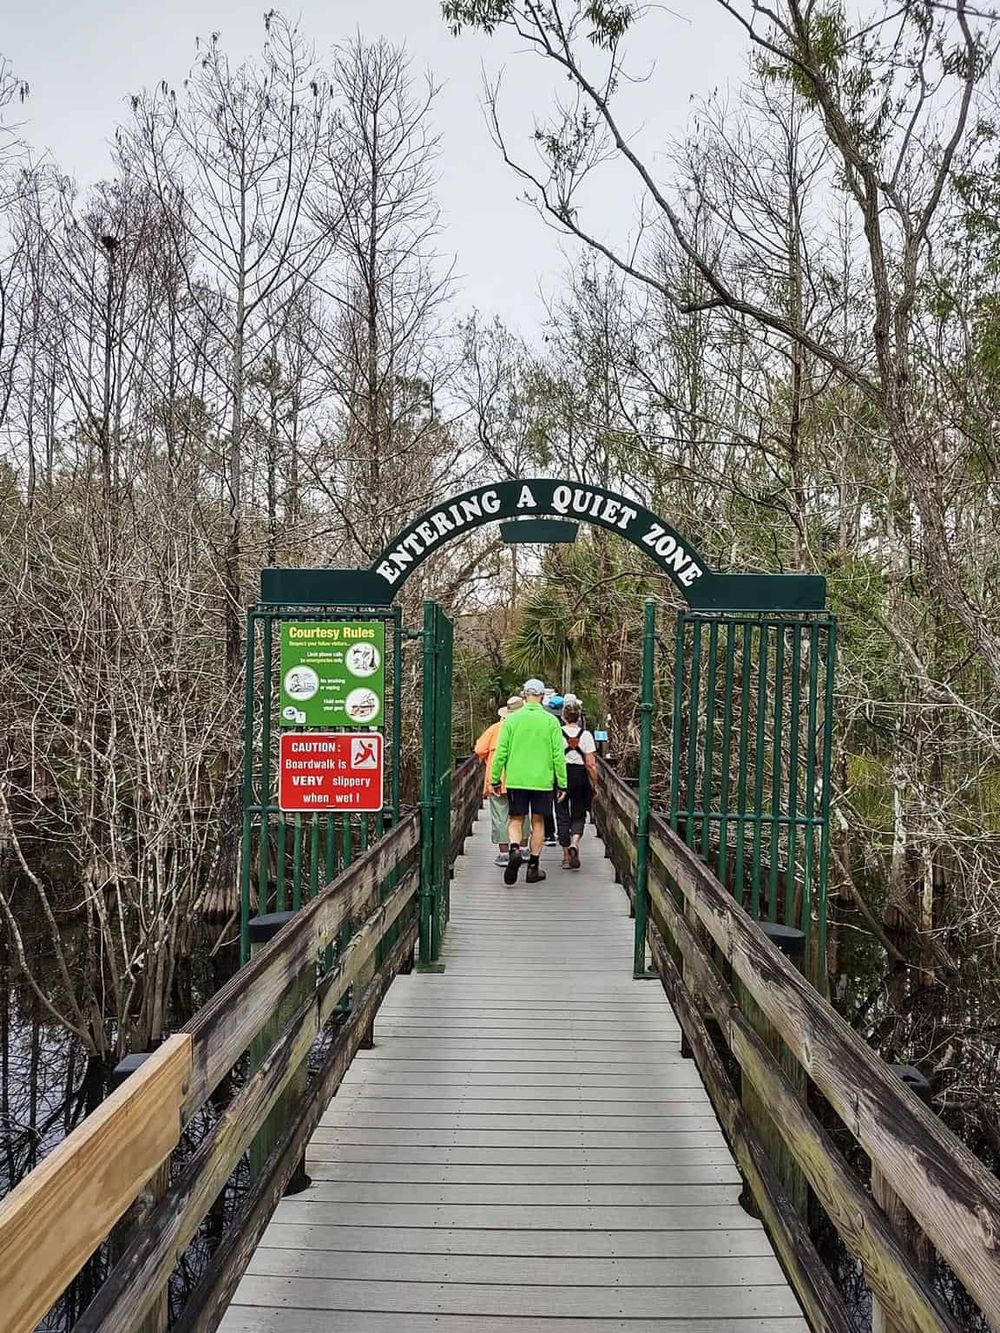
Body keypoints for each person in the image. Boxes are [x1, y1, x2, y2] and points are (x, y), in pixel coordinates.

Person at [490, 679, 567, 884]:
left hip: (516, 779)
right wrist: (562, 783)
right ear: (542, 697)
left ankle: (514, 849)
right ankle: (533, 866)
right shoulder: (551, 721)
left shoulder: (512, 721)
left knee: (516, 819)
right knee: (538, 820)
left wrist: (495, 779)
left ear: (525, 695)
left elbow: (501, 752)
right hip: (542, 780)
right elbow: (558, 755)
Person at [474, 697, 524, 865]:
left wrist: (490, 758)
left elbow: (479, 748)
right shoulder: (523, 728)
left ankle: (504, 854)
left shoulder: (495, 728)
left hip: (498, 779)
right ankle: (523, 850)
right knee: (521, 813)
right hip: (520, 778)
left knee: (500, 815)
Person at [557, 700, 598, 869]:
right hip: (580, 776)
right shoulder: (586, 735)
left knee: (562, 813)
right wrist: (594, 783)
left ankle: (566, 856)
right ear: (579, 716)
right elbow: (590, 763)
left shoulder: (557, 734)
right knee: (579, 812)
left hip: (562, 776)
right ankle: (575, 842)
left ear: (563, 716)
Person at [542, 693, 564, 845]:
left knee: (547, 803)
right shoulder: (557, 724)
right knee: (561, 806)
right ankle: (564, 835)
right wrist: (562, 781)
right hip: (563, 769)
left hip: (547, 770)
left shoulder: (547, 723)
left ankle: (549, 833)